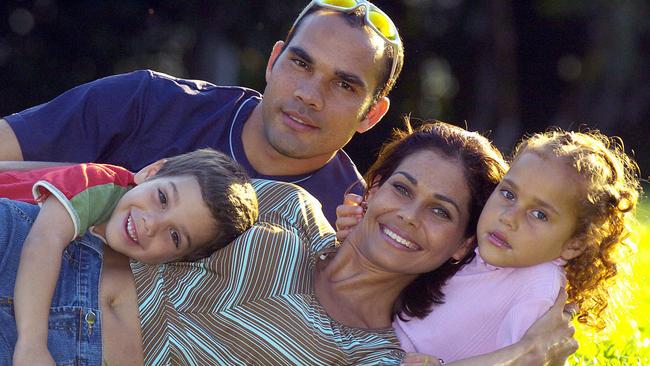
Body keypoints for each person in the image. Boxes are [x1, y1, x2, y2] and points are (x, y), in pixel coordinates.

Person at [0, 122, 576, 365]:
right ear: (371, 190)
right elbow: (141, 199)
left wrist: (518, 353)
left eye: (440, 211)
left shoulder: (370, 353)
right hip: (38, 256)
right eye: (401, 188)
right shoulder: (285, 207)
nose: (407, 215)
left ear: (459, 246)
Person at [0, 0, 406, 225]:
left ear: (371, 115)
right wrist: (105, 185)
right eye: (301, 64)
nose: (309, 94)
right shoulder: (148, 101)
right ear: (273, 61)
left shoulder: (353, 224)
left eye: (343, 85)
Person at [338, 128, 640, 363]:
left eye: (539, 214)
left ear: (574, 244)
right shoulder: (483, 250)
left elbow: (523, 360)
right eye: (508, 194)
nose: (509, 218)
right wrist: (358, 237)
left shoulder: (537, 287)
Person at [0, 149, 258, 365]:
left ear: (182, 259)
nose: (151, 225)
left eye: (175, 236)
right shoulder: (97, 182)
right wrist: (32, 344)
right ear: (151, 172)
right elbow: (43, 242)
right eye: (162, 198)